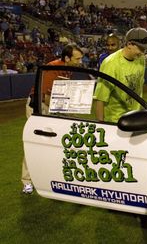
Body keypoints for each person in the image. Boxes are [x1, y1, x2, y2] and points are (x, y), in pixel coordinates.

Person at [22, 44, 83, 194]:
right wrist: (64, 112)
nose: (80, 61)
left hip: (51, 106)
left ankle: (49, 177)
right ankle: (27, 182)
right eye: (78, 58)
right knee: (34, 144)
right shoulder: (52, 68)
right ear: (67, 58)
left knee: (55, 143)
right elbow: (46, 97)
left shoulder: (68, 68)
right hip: (38, 107)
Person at [94, 27, 147, 123]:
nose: (143, 52)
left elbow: (138, 87)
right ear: (129, 44)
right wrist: (102, 125)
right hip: (115, 122)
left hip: (135, 117)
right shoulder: (110, 63)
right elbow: (100, 98)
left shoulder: (141, 59)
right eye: (141, 48)